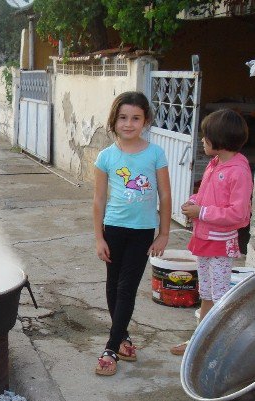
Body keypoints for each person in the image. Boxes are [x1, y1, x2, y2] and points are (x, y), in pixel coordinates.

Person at [93, 91, 171, 376]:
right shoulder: (106, 157)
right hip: (113, 229)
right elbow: (99, 199)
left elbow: (164, 194)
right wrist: (99, 237)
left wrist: (163, 234)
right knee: (113, 286)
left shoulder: (155, 154)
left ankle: (111, 348)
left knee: (126, 288)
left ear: (145, 120)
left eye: (135, 118)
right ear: (114, 120)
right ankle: (123, 338)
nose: (129, 124)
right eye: (123, 118)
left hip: (142, 232)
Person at [170, 109, 252, 356]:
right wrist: (193, 202)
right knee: (206, 293)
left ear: (220, 140)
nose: (202, 141)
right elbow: (207, 195)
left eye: (206, 136)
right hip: (204, 240)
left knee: (220, 298)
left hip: (220, 244)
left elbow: (239, 215)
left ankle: (219, 348)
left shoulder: (238, 171)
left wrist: (201, 212)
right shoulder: (216, 164)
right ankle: (199, 341)